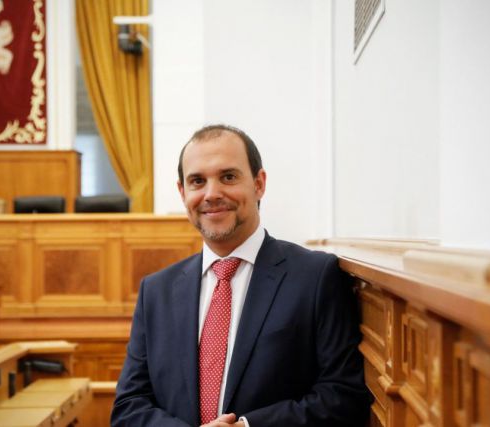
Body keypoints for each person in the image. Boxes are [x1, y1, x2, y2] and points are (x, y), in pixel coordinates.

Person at [112, 124, 371, 426]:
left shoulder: (315, 277)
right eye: (197, 181)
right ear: (183, 193)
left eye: (228, 177)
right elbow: (129, 407)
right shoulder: (156, 291)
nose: (212, 194)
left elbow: (343, 396)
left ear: (259, 183)